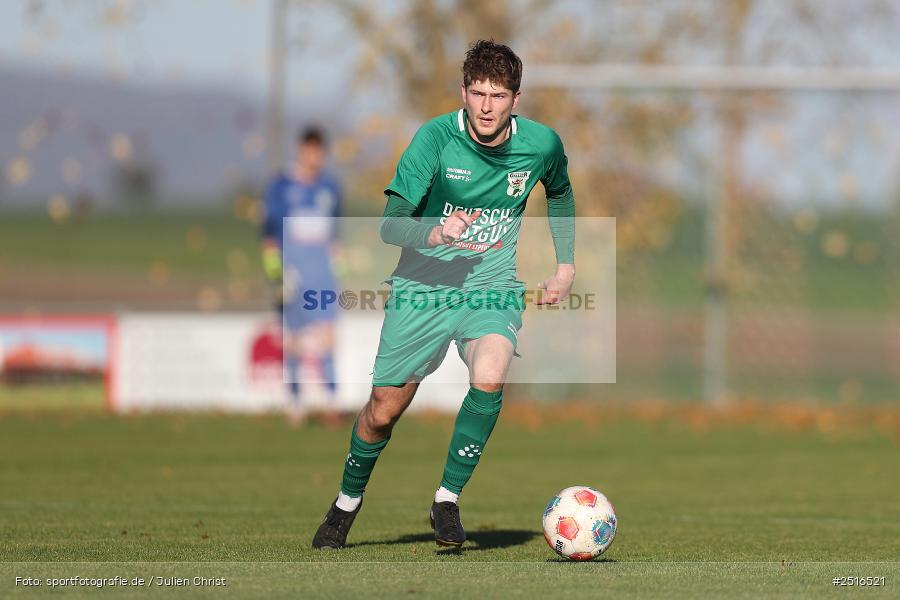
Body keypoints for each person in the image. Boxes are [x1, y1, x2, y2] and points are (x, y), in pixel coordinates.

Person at [312, 40, 575, 549]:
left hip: (490, 289)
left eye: (497, 95)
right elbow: (390, 228)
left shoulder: (542, 145)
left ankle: (446, 500)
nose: (485, 106)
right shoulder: (433, 139)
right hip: (422, 290)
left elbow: (561, 191)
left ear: (515, 100)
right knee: (383, 411)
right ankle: (346, 505)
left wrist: (565, 265)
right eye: (477, 93)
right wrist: (434, 232)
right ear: (463, 91)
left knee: (492, 373)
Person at [260, 127, 343, 424]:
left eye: (319, 150)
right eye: (310, 149)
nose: (315, 156)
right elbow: (269, 233)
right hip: (291, 275)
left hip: (321, 276)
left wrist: (337, 262)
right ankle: (295, 404)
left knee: (327, 337)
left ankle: (332, 402)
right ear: (300, 149)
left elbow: (334, 233)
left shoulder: (329, 188)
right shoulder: (280, 187)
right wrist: (274, 268)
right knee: (292, 340)